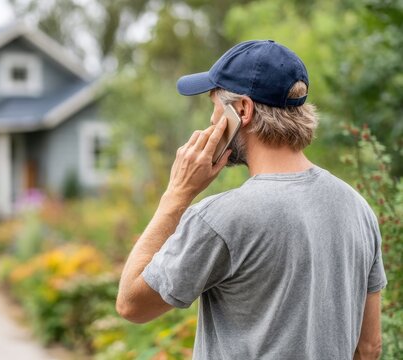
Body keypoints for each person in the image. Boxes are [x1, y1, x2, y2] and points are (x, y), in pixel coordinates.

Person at [116, 40, 387, 359]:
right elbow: (369, 347)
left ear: (242, 110)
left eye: (214, 106)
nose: (212, 120)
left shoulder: (220, 220)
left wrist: (177, 194)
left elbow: (131, 304)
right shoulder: (357, 208)